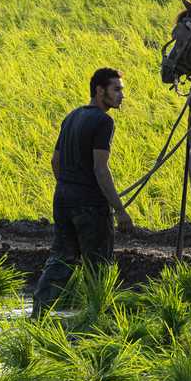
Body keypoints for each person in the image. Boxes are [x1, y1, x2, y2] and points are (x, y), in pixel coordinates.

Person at [31, 67, 133, 319]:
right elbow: (101, 169)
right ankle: (97, 321)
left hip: (63, 199)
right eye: (116, 89)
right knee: (99, 266)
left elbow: (55, 161)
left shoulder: (72, 117)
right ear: (100, 91)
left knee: (61, 259)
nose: (122, 95)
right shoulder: (103, 121)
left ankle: (38, 314)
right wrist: (120, 211)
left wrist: (70, 186)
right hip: (91, 207)